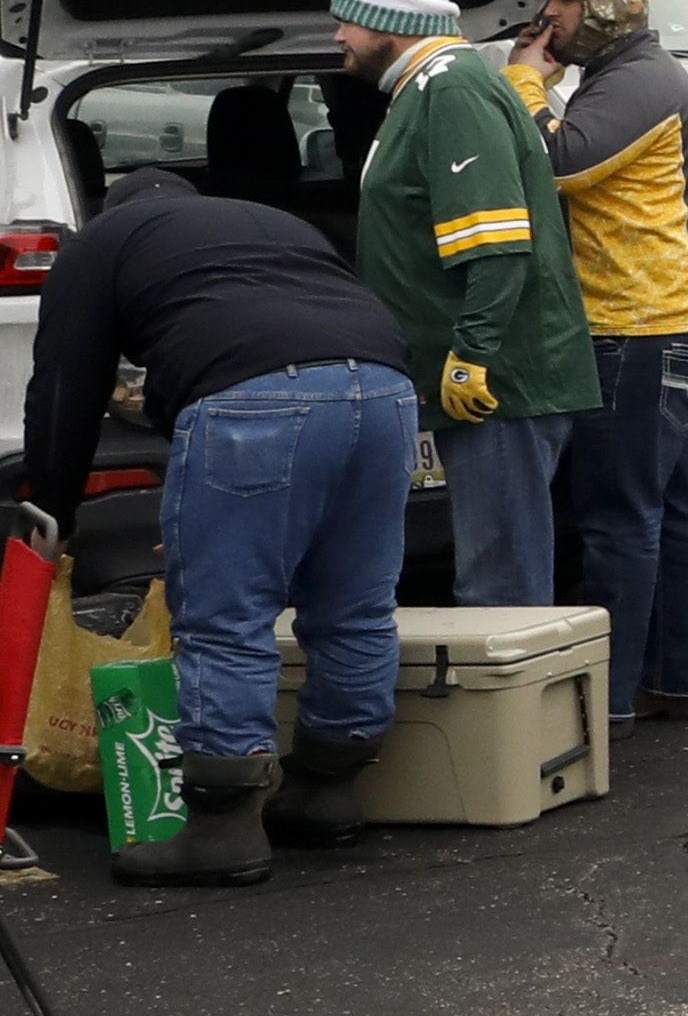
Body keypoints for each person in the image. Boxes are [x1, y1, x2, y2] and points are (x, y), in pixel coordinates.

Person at [17, 138, 416, 881]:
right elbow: (226, 333)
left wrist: (53, 503)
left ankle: (224, 828)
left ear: (117, 211)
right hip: (385, 390)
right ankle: (328, 792)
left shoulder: (101, 241)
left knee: (225, 615)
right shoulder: (274, 225)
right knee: (356, 604)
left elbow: (65, 383)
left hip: (256, 402)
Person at [326, 0, 595, 604]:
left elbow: (498, 239)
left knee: (499, 585)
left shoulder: (454, 91)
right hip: (479, 386)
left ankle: (517, 713)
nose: (337, 34)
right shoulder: (426, 87)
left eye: (349, 17)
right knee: (492, 570)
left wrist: (472, 353)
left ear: (393, 21)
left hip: (500, 388)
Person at [526, 0, 688, 727]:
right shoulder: (630, 75)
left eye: (561, 2)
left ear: (600, 5)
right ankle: (680, 681)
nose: (547, 17)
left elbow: (559, 162)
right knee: (675, 506)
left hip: (645, 322)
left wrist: (523, 80)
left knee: (619, 515)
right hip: (677, 321)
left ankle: (604, 703)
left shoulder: (638, 81)